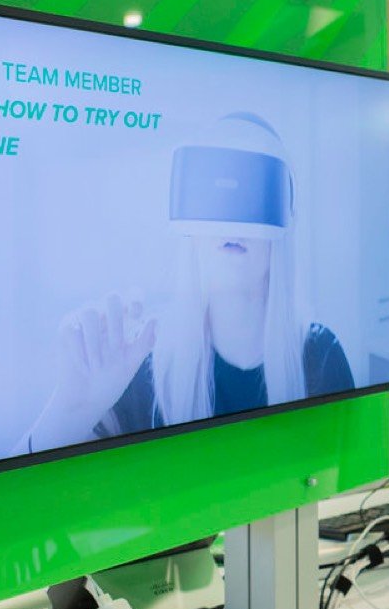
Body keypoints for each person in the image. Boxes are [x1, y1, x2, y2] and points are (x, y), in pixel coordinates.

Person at [26, 113, 354, 451]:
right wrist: (69, 410)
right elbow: (32, 496)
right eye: (217, 187)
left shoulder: (319, 357)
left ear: (285, 216)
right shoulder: (142, 362)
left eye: (251, 189)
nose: (232, 215)